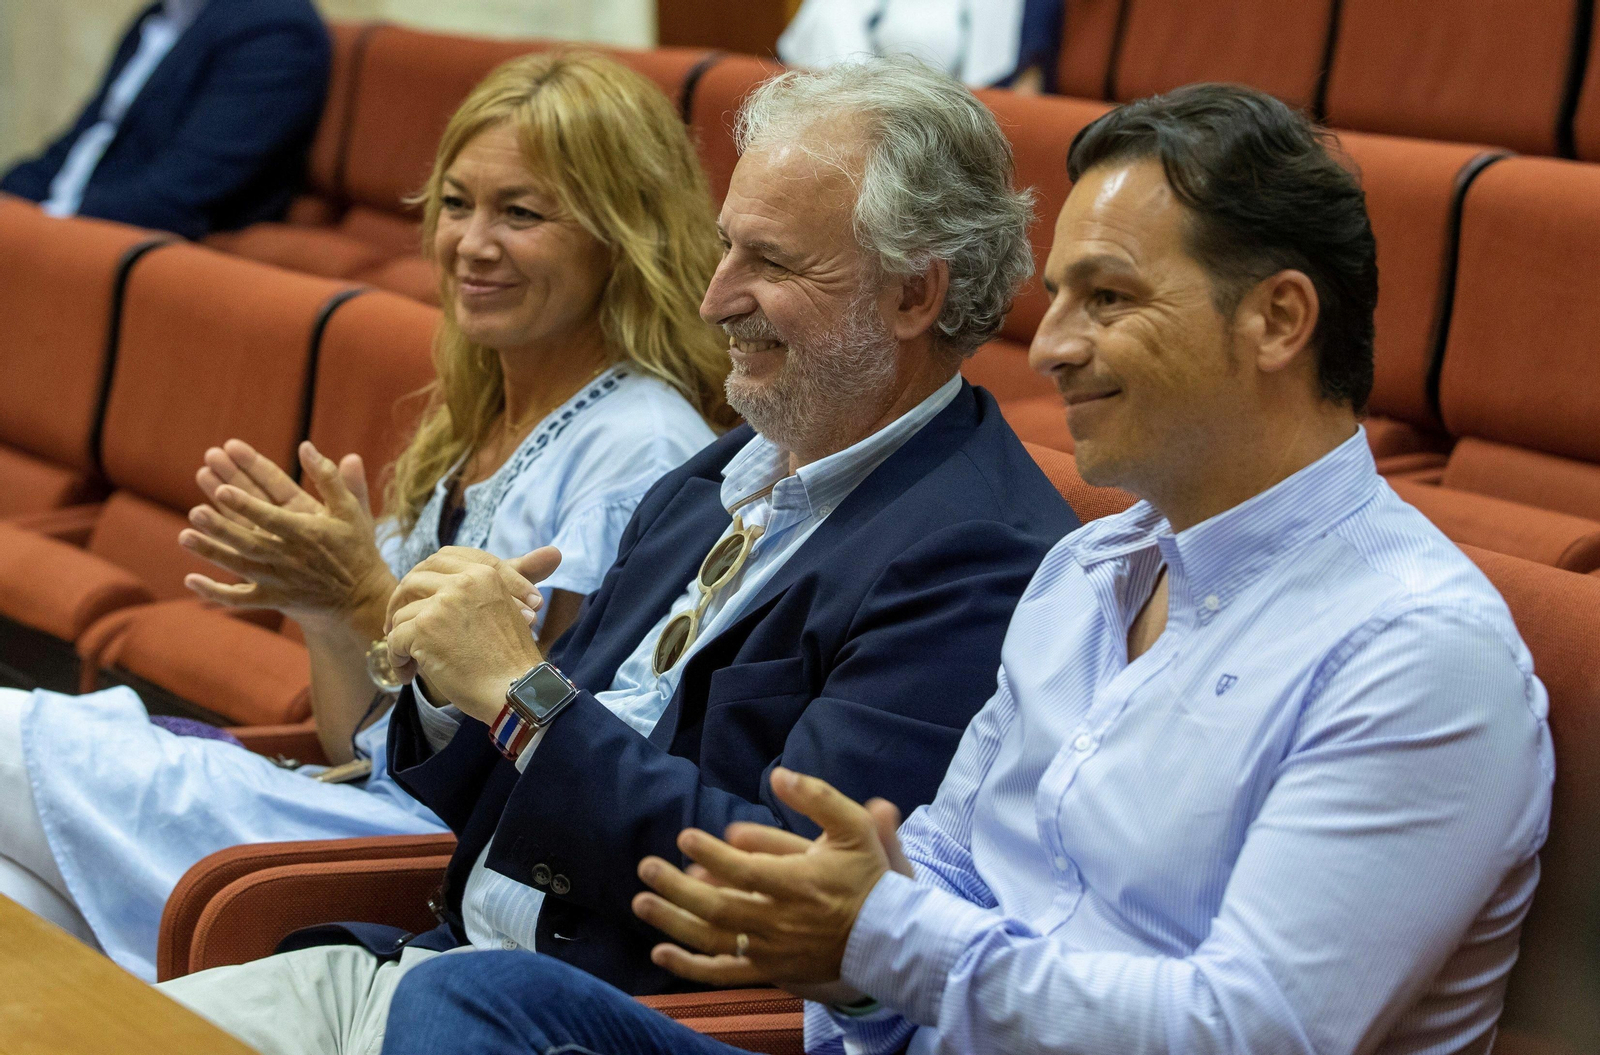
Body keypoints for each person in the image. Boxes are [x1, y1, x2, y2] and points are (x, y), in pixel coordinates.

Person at [378, 84, 1556, 1055]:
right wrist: (851, 944)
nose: (1047, 345)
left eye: (1108, 298)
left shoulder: (1414, 650)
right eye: (1058, 298)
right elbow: (930, 864)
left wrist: (876, 936)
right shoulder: (1090, 570)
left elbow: (1253, 1030)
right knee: (468, 1001)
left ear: (1279, 319)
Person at [154, 57, 1078, 1055]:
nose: (717, 297)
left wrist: (519, 690)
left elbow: (788, 900)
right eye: (725, 247)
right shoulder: (713, 477)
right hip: (430, 960)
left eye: (769, 262)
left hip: (598, 1018)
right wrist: (442, 665)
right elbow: (499, 779)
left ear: (911, 295)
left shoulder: (976, 552)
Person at [0, 51, 731, 982]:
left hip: (441, 866)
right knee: (17, 899)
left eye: (521, 213)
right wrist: (325, 607)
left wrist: (366, 591)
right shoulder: (474, 413)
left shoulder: (642, 445)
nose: (472, 242)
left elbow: (529, 772)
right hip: (358, 807)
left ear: (620, 234)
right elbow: (363, 738)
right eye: (456, 204)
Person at [0, 0, 330, 240]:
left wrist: (42, 229)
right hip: (63, 226)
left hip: (133, 255)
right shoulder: (160, 16)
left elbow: (175, 198)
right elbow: (78, 144)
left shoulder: (277, 29)